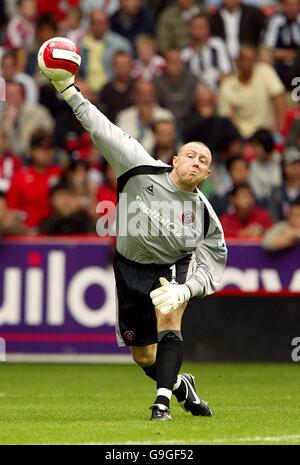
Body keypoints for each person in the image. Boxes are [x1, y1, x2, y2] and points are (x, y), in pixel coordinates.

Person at [47, 67, 228, 422]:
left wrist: (186, 290)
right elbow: (99, 126)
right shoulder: (137, 165)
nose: (196, 162)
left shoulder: (204, 213)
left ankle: (161, 404)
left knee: (170, 321)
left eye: (203, 162)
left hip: (172, 266)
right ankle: (181, 388)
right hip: (129, 266)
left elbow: (214, 260)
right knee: (144, 357)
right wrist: (67, 88)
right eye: (190, 155)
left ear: (207, 177)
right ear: (174, 159)